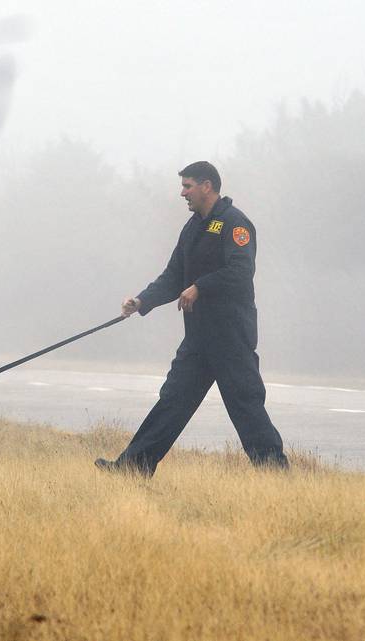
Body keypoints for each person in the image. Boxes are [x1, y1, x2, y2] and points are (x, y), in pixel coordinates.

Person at [96, 161, 288, 476]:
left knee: (246, 406)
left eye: (187, 186)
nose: (182, 193)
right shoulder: (193, 227)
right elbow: (174, 276)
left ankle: (276, 474)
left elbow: (241, 272)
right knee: (172, 401)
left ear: (207, 186)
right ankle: (133, 467)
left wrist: (201, 287)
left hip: (230, 337)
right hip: (199, 338)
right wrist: (142, 301)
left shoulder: (234, 224)